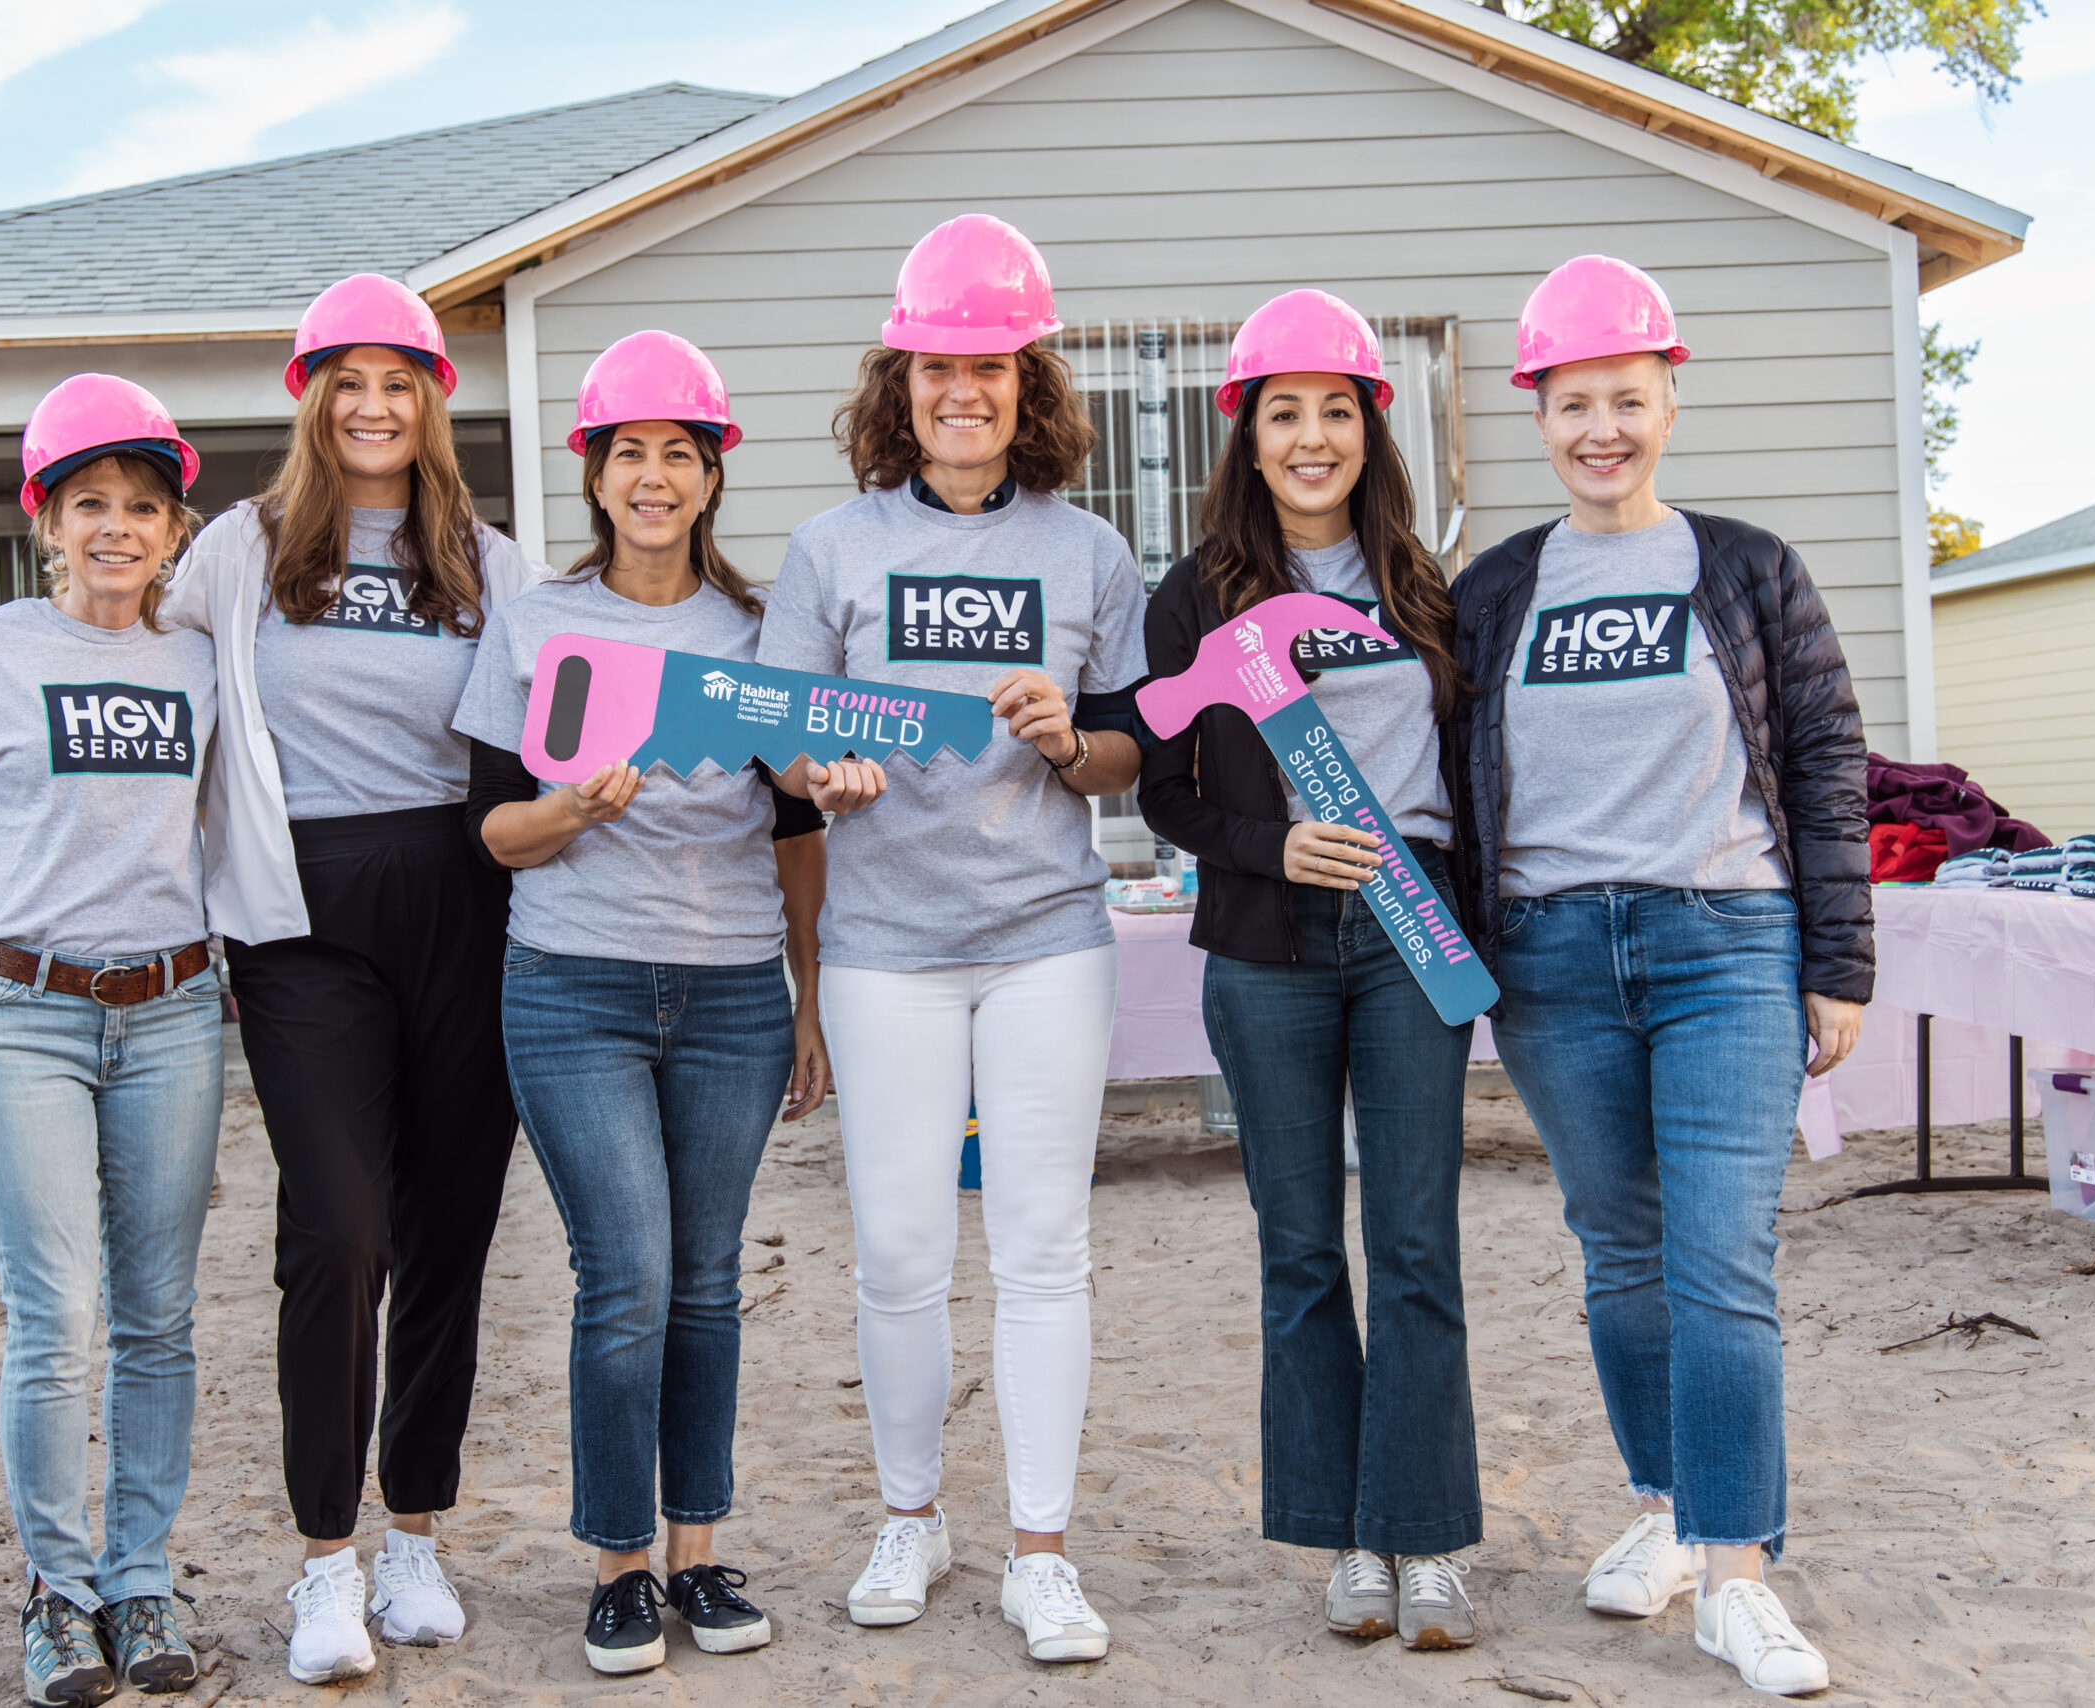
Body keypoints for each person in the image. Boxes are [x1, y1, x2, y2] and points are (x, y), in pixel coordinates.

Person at [0, 274, 548, 1686]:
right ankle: (325, 1561)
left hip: (462, 895)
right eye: (346, 382)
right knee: (339, 1230)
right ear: (311, 400)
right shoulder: (243, 544)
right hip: (298, 911)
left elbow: (573, 699)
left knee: (449, 1230)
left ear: (435, 401)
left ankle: (414, 1534)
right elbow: (98, 617)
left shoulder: (491, 563)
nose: (373, 406)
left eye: (400, 381)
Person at [1447, 254, 1872, 1697]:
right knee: (1620, 1253)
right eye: (1575, 405)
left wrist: (1838, 961)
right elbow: (1443, 766)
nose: (1602, 430)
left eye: (1627, 400)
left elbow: (1826, 761)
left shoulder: (1747, 568)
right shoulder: (1495, 590)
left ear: (1669, 404)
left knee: (1721, 1259)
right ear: (1539, 417)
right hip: (1554, 958)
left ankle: (1737, 1576)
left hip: (1728, 945)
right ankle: (1668, 1513)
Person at [755, 214, 1148, 1666]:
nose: (962, 390)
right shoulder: (832, 546)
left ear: (1028, 383)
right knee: (902, 1250)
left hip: (1046, 939)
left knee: (1044, 1247)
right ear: (901, 382)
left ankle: (1042, 1550)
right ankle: (910, 1517)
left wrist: (1068, 743)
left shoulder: (1090, 550)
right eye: (937, 367)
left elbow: (1133, 751)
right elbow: (783, 736)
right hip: (884, 948)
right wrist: (823, 771)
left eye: (989, 366)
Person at [454, 330, 831, 1677]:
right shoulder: (537, 624)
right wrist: (568, 811)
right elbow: (491, 833)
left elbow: (797, 828)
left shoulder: (760, 631)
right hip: (574, 991)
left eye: (681, 452)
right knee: (629, 1276)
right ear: (597, 475)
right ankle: (618, 1566)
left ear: (712, 476)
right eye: (631, 453)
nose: (655, 476)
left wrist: (807, 1001)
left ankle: (697, 1553)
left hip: (733, 997)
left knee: (708, 1282)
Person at [1138, 290, 1483, 1652]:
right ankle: (1346, 1536)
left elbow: (1472, 765)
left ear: (1370, 429)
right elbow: (1164, 790)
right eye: (1284, 413)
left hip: (1412, 936)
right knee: (1299, 1252)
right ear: (1249, 434)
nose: (1312, 437)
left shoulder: (1426, 587)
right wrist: (1273, 847)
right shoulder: (1199, 594)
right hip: (1267, 950)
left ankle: (1426, 1537)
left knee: (1415, 1246)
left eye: (1337, 410)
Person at [0, 375, 221, 1706]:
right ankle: (58, 1592)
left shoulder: (201, 657)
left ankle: (141, 1578)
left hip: (174, 1013)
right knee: (55, 1312)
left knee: (159, 1315)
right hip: (21, 1015)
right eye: (89, 505)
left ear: (174, 530)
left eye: (141, 507)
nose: (116, 528)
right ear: (46, 521)